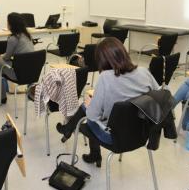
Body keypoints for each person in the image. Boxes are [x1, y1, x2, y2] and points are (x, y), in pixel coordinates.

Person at [56, 37, 159, 167]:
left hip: (114, 138)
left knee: (87, 112)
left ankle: (72, 133)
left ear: (103, 59)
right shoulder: (144, 72)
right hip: (142, 135)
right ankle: (74, 135)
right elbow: (159, 96)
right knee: (92, 106)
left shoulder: (106, 78)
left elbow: (92, 116)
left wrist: (89, 106)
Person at [0, 13, 34, 105]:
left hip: (19, 74)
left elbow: (7, 57)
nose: (7, 24)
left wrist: (1, 56)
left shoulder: (13, 38)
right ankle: (0, 96)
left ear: (12, 24)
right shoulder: (27, 35)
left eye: (7, 22)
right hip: (32, 73)